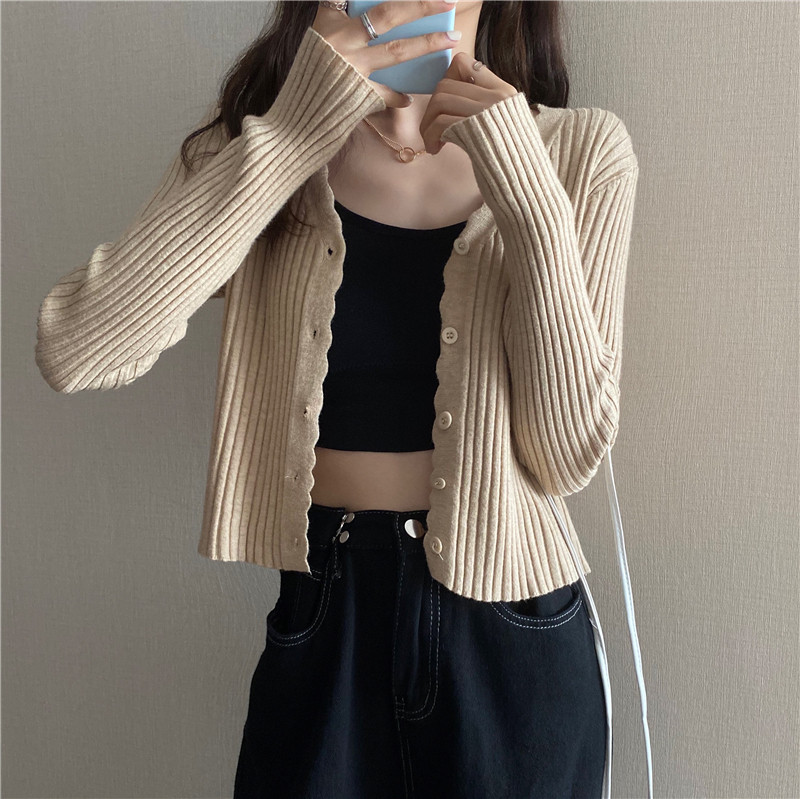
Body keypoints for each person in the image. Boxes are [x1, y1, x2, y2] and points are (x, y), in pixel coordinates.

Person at [35, 1, 641, 796]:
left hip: (514, 635)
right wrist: (292, 135)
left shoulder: (581, 151)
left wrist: (530, 199)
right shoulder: (256, 147)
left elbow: (566, 455)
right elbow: (79, 349)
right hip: (325, 610)